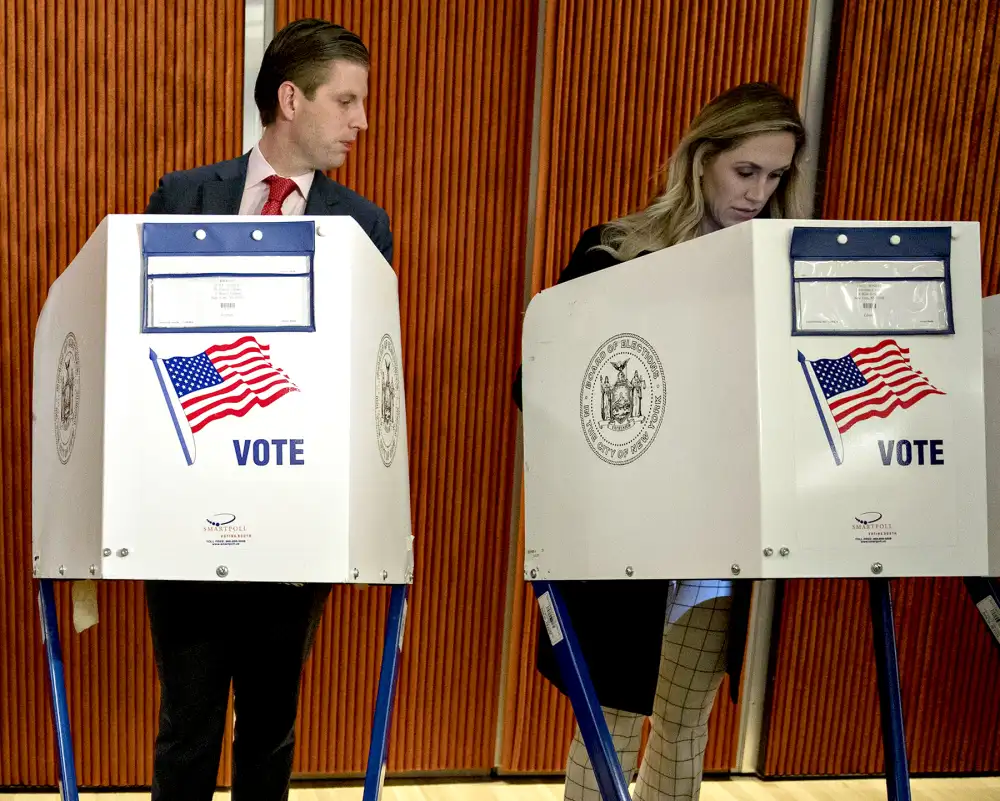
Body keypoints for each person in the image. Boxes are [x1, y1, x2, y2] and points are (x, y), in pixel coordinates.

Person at [513, 82, 807, 801]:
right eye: (746, 171)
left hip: (720, 532)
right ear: (703, 158)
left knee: (683, 723)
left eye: (776, 177)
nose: (758, 193)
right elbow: (535, 388)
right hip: (621, 535)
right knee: (608, 720)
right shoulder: (616, 253)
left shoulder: (776, 270)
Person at [143, 18, 391, 801]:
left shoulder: (363, 225)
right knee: (187, 726)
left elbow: (361, 370)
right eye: (346, 101)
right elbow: (149, 345)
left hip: (296, 516)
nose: (362, 120)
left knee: (271, 728)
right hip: (189, 508)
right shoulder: (183, 196)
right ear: (291, 98)